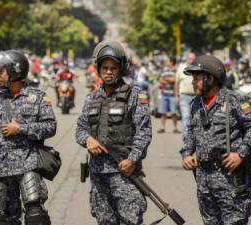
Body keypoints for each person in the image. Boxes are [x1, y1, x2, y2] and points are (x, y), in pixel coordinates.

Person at [180, 55, 251, 225]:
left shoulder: (234, 100)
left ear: (210, 79)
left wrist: (240, 154)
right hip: (204, 179)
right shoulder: (196, 103)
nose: (193, 82)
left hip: (230, 179)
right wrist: (187, 153)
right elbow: (191, 131)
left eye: (197, 78)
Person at [76, 40, 152, 225]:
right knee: (105, 220)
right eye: (105, 67)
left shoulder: (134, 95)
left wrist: (132, 159)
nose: (109, 71)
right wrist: (87, 140)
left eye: (113, 68)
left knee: (130, 220)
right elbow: (80, 128)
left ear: (121, 69)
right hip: (98, 173)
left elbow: (144, 131)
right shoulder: (92, 98)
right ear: (98, 69)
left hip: (125, 172)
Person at [0, 50, 56, 225]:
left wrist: (21, 128)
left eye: (1, 72)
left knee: (35, 216)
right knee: (0, 217)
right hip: (0, 168)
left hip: (27, 165)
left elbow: (50, 127)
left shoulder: (37, 98)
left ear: (15, 71)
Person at [175, 52, 196, 137]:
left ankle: (193, 138)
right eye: (190, 58)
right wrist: (176, 96)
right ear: (187, 59)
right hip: (184, 96)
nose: (191, 60)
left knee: (195, 118)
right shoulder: (181, 67)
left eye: (193, 59)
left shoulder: (197, 68)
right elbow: (176, 83)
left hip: (196, 96)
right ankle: (186, 138)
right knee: (186, 117)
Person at [157, 56, 180, 133]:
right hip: (164, 94)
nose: (166, 62)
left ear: (171, 62)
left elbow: (174, 80)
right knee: (163, 112)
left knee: (174, 112)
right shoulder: (164, 70)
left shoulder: (176, 70)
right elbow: (160, 80)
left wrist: (166, 79)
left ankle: (175, 128)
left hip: (173, 95)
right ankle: (162, 127)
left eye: (168, 61)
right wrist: (169, 80)